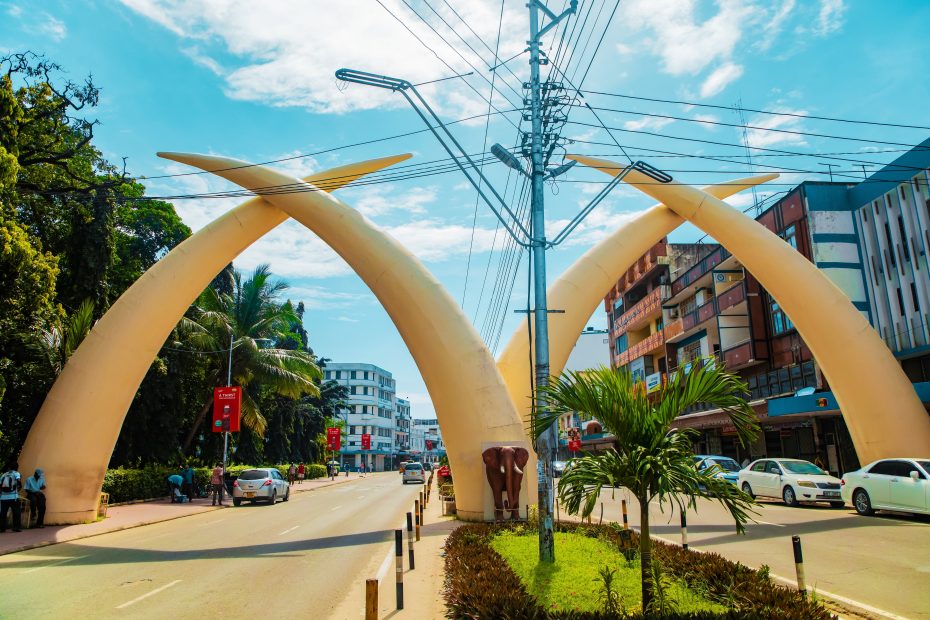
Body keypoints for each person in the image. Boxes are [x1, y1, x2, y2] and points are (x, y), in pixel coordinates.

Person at [0, 462, 23, 533]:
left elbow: (0, 485)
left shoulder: (3, 475)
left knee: (3, 513)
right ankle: (16, 527)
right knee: (16, 512)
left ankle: (2, 528)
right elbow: (18, 481)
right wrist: (19, 487)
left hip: (3, 497)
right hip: (13, 497)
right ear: (16, 467)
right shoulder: (16, 473)